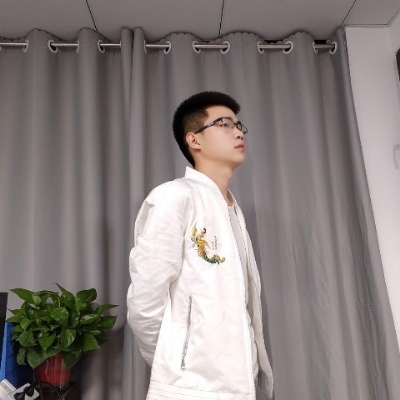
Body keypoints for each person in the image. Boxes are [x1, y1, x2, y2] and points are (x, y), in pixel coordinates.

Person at [127, 91, 273, 400]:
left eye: (239, 125)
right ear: (194, 139)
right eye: (224, 124)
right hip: (189, 389)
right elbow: (144, 303)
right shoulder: (174, 197)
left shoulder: (232, 209)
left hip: (239, 387)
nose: (238, 132)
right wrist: (177, 365)